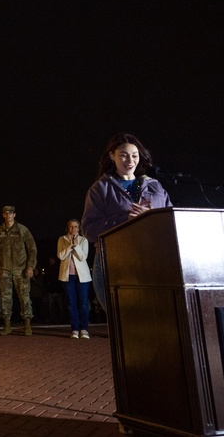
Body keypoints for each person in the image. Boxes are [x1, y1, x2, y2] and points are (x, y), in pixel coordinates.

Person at [80, 133, 172, 313]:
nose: (130, 160)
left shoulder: (155, 186)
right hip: (115, 262)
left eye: (134, 155)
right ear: (112, 156)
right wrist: (125, 220)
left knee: (155, 319)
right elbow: (89, 230)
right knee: (123, 320)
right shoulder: (100, 189)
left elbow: (172, 222)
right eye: (123, 154)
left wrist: (151, 216)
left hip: (152, 260)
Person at [0, 205, 38, 336]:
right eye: (6, 213)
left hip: (20, 269)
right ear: (3, 215)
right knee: (5, 298)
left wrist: (30, 266)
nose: (8, 215)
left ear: (14, 215)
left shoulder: (23, 230)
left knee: (24, 297)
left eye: (10, 213)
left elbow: (32, 249)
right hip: (4, 269)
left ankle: (27, 324)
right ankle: (7, 325)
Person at [58, 219, 92, 339]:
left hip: (82, 277)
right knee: (71, 303)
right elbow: (61, 255)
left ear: (79, 228)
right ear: (68, 228)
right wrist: (69, 246)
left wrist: (76, 246)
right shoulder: (62, 239)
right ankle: (75, 329)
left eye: (76, 227)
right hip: (68, 276)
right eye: (71, 227)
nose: (73, 229)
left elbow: (83, 257)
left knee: (83, 303)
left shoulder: (83, 240)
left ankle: (84, 329)